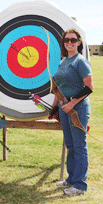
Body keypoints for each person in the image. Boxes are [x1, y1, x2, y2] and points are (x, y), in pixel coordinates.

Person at [49, 28, 93, 195]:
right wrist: (55, 107)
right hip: (64, 108)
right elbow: (58, 89)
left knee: (79, 145)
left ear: (79, 42)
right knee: (70, 145)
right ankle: (71, 178)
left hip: (78, 109)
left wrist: (73, 103)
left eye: (73, 40)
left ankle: (80, 185)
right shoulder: (62, 62)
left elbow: (89, 87)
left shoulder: (80, 61)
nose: (69, 42)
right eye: (66, 40)